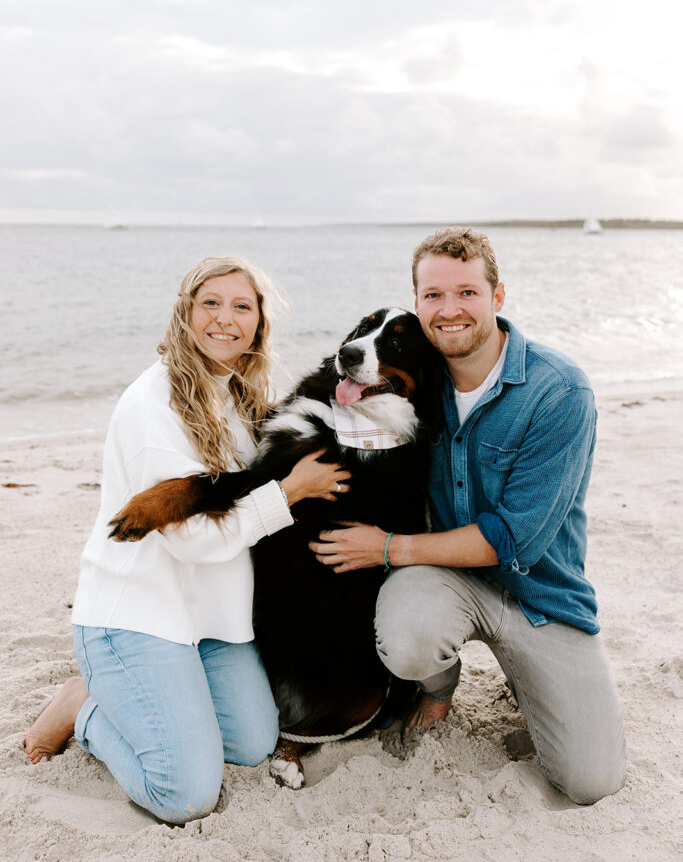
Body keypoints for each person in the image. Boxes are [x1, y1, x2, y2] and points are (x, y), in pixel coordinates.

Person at [24, 255, 350, 824]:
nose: (226, 319)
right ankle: (83, 711)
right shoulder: (155, 404)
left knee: (251, 745)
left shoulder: (240, 396)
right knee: (185, 793)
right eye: (211, 304)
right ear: (186, 313)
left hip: (211, 624)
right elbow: (192, 542)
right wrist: (291, 493)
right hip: (138, 618)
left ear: (258, 324)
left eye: (242, 307)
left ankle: (159, 700)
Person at [310, 226, 627, 806]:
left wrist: (385, 548)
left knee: (590, 781)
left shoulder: (558, 391)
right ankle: (438, 683)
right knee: (410, 635)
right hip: (447, 584)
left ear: (497, 296)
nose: (448, 309)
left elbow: (512, 538)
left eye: (466, 293)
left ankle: (531, 676)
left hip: (541, 597)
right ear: (417, 302)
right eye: (432, 295)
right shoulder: (410, 384)